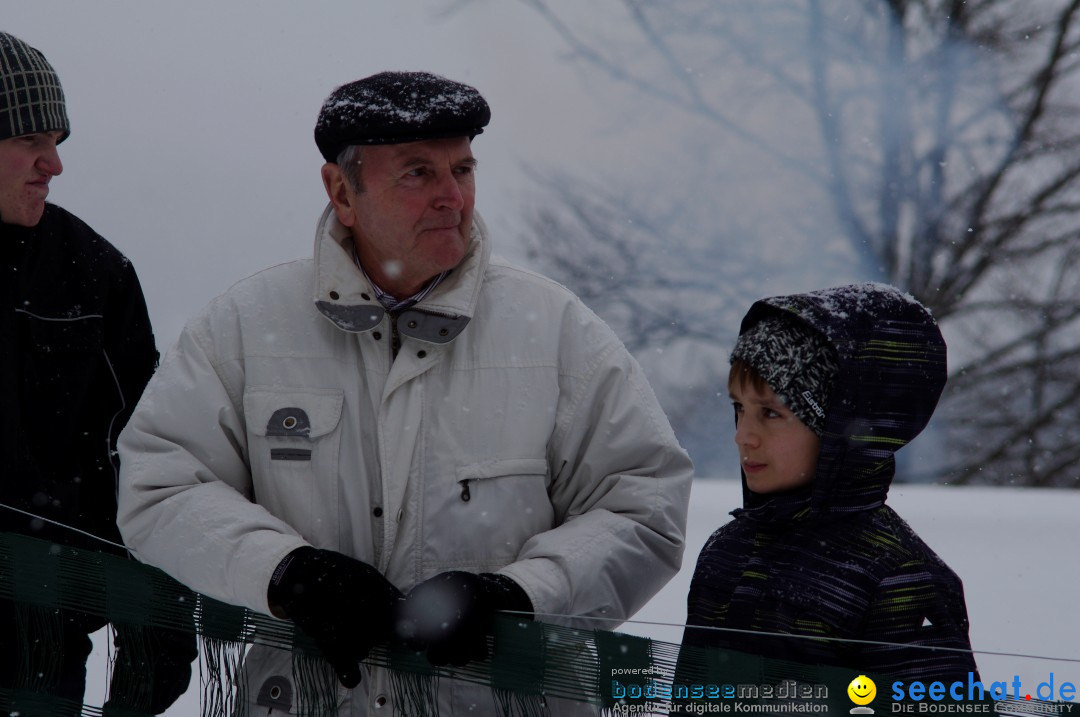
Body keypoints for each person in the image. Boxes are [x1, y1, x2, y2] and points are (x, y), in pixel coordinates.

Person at [116, 71, 693, 715]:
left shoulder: (556, 330)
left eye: (464, 170)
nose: (453, 197)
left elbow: (644, 506)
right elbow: (160, 488)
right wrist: (284, 573)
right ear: (342, 191)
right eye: (418, 173)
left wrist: (520, 594)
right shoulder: (247, 328)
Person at [0, 30, 195, 714]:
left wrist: (159, 616)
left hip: (36, 650)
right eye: (30, 140)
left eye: (58, 140)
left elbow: (143, 456)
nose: (53, 164)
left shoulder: (91, 275)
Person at [676, 283, 978, 694]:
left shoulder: (899, 578)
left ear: (837, 427)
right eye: (739, 409)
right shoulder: (726, 551)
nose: (743, 436)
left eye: (770, 413)